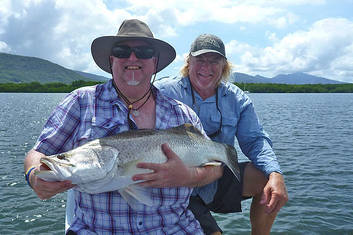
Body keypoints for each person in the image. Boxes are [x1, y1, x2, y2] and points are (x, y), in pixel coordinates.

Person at [24, 20, 225, 234]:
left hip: (175, 228)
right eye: (122, 51)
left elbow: (217, 167)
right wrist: (34, 175)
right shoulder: (81, 102)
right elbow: (39, 153)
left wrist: (189, 177)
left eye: (144, 52)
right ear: (112, 60)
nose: (132, 58)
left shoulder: (183, 114)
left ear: (155, 62)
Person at [156, 34, 288, 235]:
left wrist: (275, 173)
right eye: (200, 59)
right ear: (188, 61)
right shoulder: (162, 92)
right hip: (177, 185)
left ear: (224, 65)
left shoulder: (237, 99)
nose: (206, 67)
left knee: (265, 178)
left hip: (216, 177)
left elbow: (254, 140)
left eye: (214, 60)